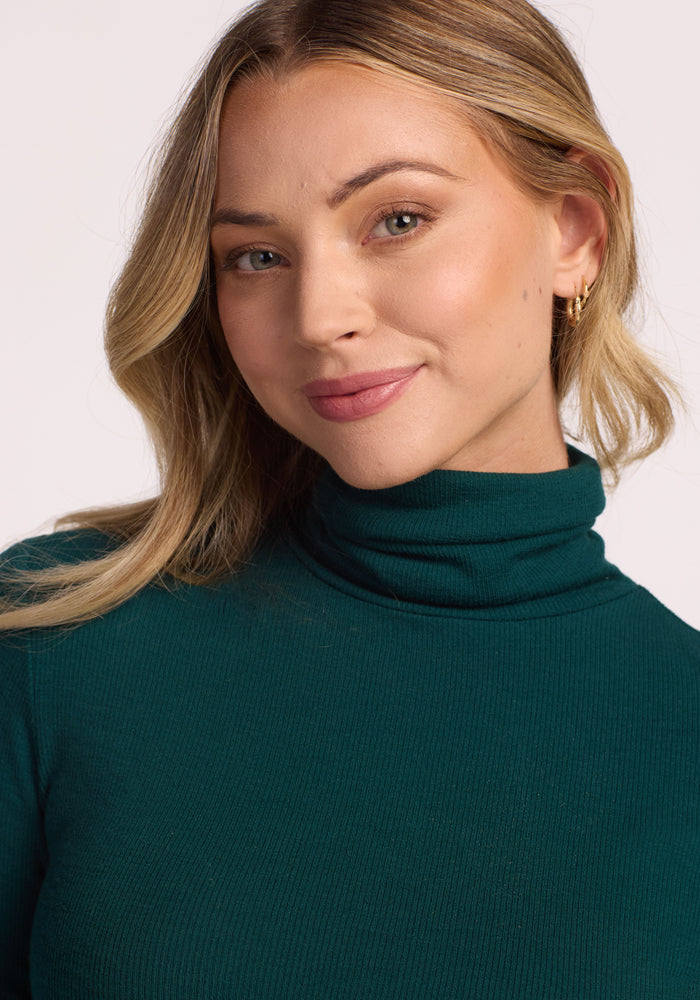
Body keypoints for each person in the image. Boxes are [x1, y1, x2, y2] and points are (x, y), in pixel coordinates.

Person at [1, 0, 698, 995]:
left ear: (574, 231)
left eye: (397, 220)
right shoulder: (52, 644)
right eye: (256, 255)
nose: (321, 315)